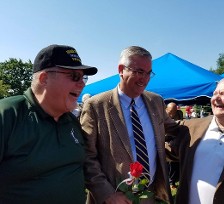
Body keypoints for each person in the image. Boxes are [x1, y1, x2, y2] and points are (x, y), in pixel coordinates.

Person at [80, 46, 180, 204]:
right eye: (139, 72)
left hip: (151, 195)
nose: (145, 79)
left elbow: (176, 128)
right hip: (114, 198)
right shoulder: (96, 106)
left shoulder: (156, 101)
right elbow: (86, 156)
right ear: (121, 70)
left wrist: (214, 125)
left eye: (148, 74)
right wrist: (107, 194)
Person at [0, 44, 98, 204]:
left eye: (83, 78)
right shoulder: (8, 115)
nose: (82, 84)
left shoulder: (72, 122)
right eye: (74, 76)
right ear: (44, 79)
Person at [165, 102, 182, 188]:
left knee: (175, 164)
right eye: (171, 111)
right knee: (169, 164)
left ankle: (173, 181)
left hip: (175, 145)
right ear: (167, 109)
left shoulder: (179, 114)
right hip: (166, 145)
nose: (172, 113)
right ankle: (170, 182)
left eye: (174, 111)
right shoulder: (162, 115)